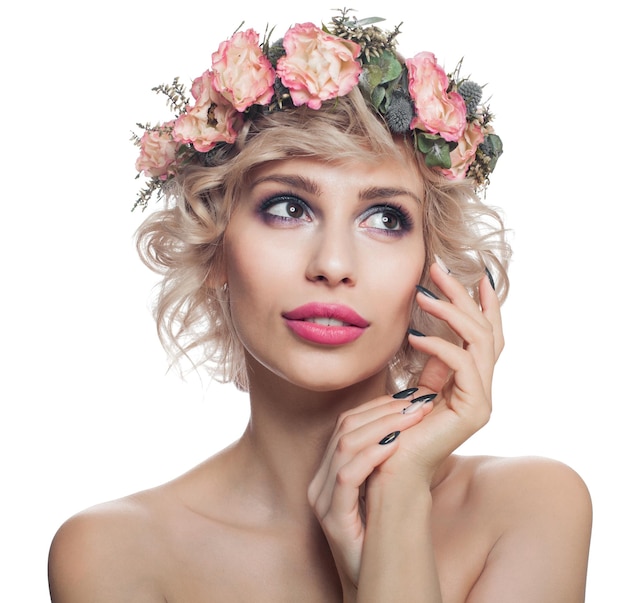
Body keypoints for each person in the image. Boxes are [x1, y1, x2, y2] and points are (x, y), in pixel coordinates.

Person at [48, 11, 592, 602]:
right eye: (286, 208)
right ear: (214, 251)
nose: (333, 263)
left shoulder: (530, 508)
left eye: (385, 218)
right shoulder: (114, 554)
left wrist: (399, 500)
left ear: (429, 270)